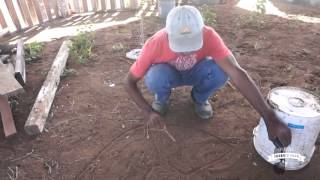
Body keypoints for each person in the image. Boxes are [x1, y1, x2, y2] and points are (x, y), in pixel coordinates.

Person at [125, 5, 291, 147]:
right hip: (169, 75)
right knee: (155, 75)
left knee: (221, 70)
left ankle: (199, 98)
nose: (187, 50)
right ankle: (162, 98)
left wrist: (270, 117)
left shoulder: (209, 36)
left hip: (196, 73)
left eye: (191, 43)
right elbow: (129, 82)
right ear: (168, 35)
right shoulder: (155, 43)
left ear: (201, 31)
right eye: (181, 45)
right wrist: (148, 112)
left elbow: (237, 73)